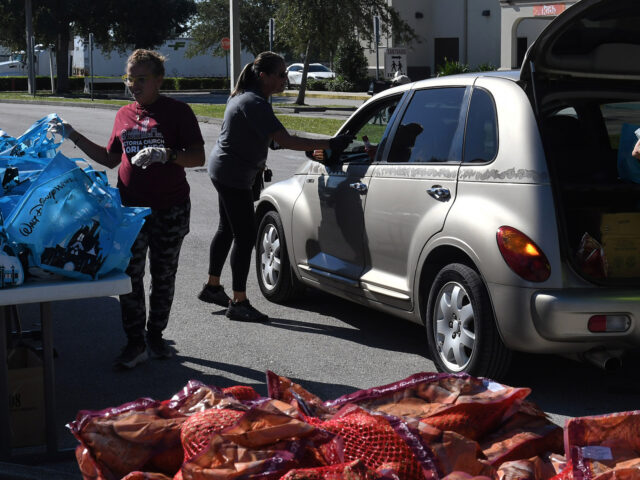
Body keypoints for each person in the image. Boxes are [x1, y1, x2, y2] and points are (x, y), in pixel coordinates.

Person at [49, 49, 205, 369]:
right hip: (130, 211)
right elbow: (110, 158)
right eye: (129, 78)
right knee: (128, 275)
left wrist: (167, 155)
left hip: (170, 208)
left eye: (140, 79)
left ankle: (156, 336)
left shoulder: (178, 112)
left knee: (163, 275)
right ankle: (135, 343)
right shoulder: (123, 114)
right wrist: (72, 134)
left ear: (158, 80)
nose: (133, 85)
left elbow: (198, 157)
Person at [198, 51, 353, 322]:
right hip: (234, 175)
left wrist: (297, 145)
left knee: (227, 229)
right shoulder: (255, 102)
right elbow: (286, 139)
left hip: (223, 169)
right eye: (280, 74)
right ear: (263, 76)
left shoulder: (244, 97)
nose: (285, 78)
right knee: (245, 237)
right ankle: (239, 301)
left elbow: (269, 138)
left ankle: (213, 286)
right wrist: (330, 143)